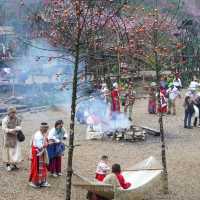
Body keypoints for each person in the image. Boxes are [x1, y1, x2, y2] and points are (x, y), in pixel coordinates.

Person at [29, 122, 50, 188]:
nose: (46, 129)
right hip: (37, 153)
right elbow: (40, 146)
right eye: (45, 128)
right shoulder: (38, 135)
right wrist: (47, 144)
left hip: (41, 153)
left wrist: (46, 143)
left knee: (43, 167)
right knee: (37, 168)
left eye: (47, 128)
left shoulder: (43, 134)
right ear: (41, 128)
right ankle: (35, 182)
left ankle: (42, 182)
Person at [2, 107, 22, 171]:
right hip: (8, 137)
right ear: (9, 113)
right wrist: (11, 130)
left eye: (14, 113)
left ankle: (14, 164)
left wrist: (17, 128)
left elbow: (19, 125)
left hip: (15, 137)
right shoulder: (5, 120)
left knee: (15, 151)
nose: (13, 114)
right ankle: (8, 165)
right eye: (12, 113)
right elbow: (4, 128)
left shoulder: (17, 118)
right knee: (8, 152)